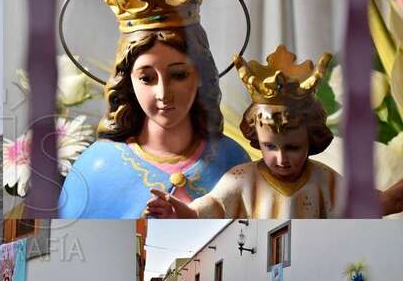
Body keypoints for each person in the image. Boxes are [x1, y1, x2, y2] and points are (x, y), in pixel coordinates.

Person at [59, 0, 250, 218]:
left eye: (179, 75)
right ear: (128, 82)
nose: (163, 93)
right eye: (147, 78)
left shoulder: (233, 160)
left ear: (201, 75)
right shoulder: (95, 168)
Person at [146, 45, 403, 218]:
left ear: (311, 140)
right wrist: (180, 211)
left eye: (292, 147)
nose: (281, 159)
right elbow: (212, 207)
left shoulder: (324, 179)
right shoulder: (241, 180)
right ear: (256, 139)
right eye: (270, 146)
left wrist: (389, 200)